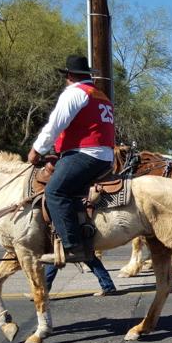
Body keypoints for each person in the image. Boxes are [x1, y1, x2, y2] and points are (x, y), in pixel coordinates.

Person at [28, 55, 115, 264]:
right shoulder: (99, 95)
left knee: (54, 191)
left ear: (69, 76)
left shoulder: (74, 93)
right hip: (103, 155)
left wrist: (36, 151)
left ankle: (72, 246)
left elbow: (54, 125)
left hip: (86, 154)